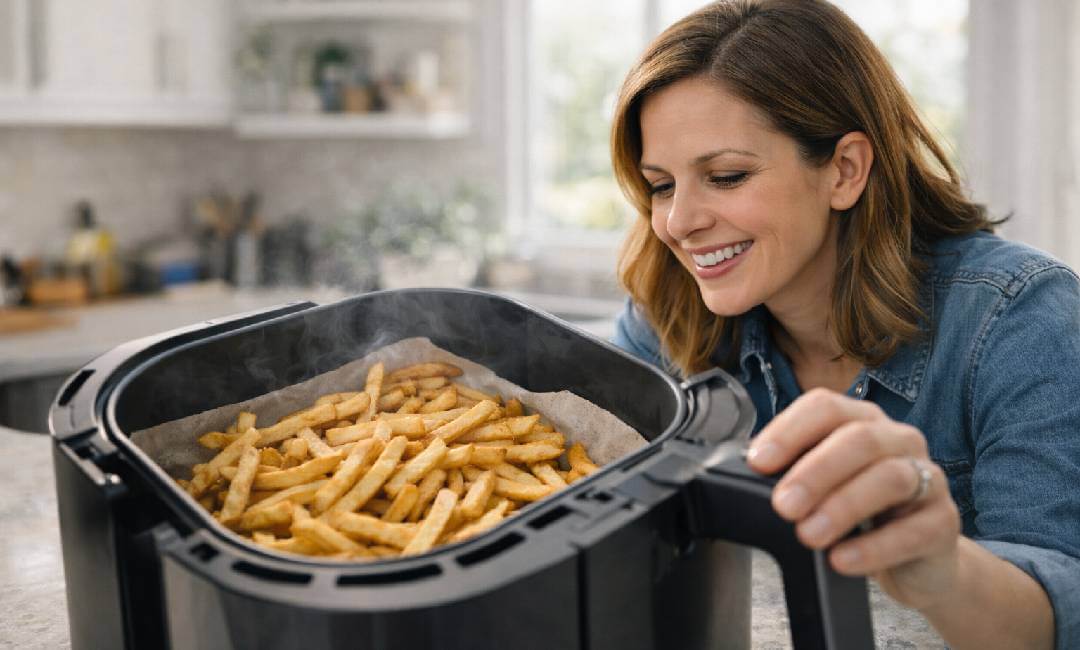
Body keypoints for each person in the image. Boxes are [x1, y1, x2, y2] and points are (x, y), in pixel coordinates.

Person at [609, 1, 1080, 648]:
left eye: (725, 176)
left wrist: (942, 569)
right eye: (661, 185)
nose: (678, 222)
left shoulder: (1019, 318)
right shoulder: (664, 316)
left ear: (844, 170)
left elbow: (1061, 611)